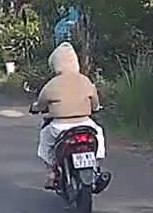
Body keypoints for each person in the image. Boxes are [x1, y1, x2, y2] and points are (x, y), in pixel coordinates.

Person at [30, 42, 102, 188]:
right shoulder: (85, 81)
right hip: (85, 124)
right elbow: (95, 102)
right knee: (98, 134)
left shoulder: (52, 84)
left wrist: (35, 108)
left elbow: (41, 104)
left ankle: (51, 173)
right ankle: (96, 167)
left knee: (45, 139)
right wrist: (95, 107)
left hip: (59, 126)